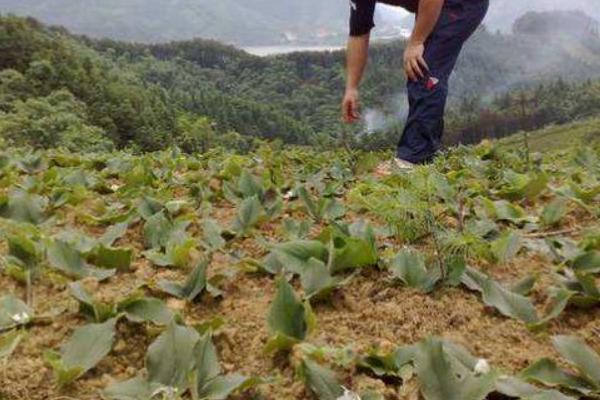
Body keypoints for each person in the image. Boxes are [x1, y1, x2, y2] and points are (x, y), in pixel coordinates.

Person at [342, 0, 489, 171]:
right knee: (420, 68)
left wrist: (416, 42)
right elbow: (358, 33)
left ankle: (414, 160)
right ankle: (419, 154)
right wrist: (351, 88)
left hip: (462, 4)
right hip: (435, 6)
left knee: (423, 69)